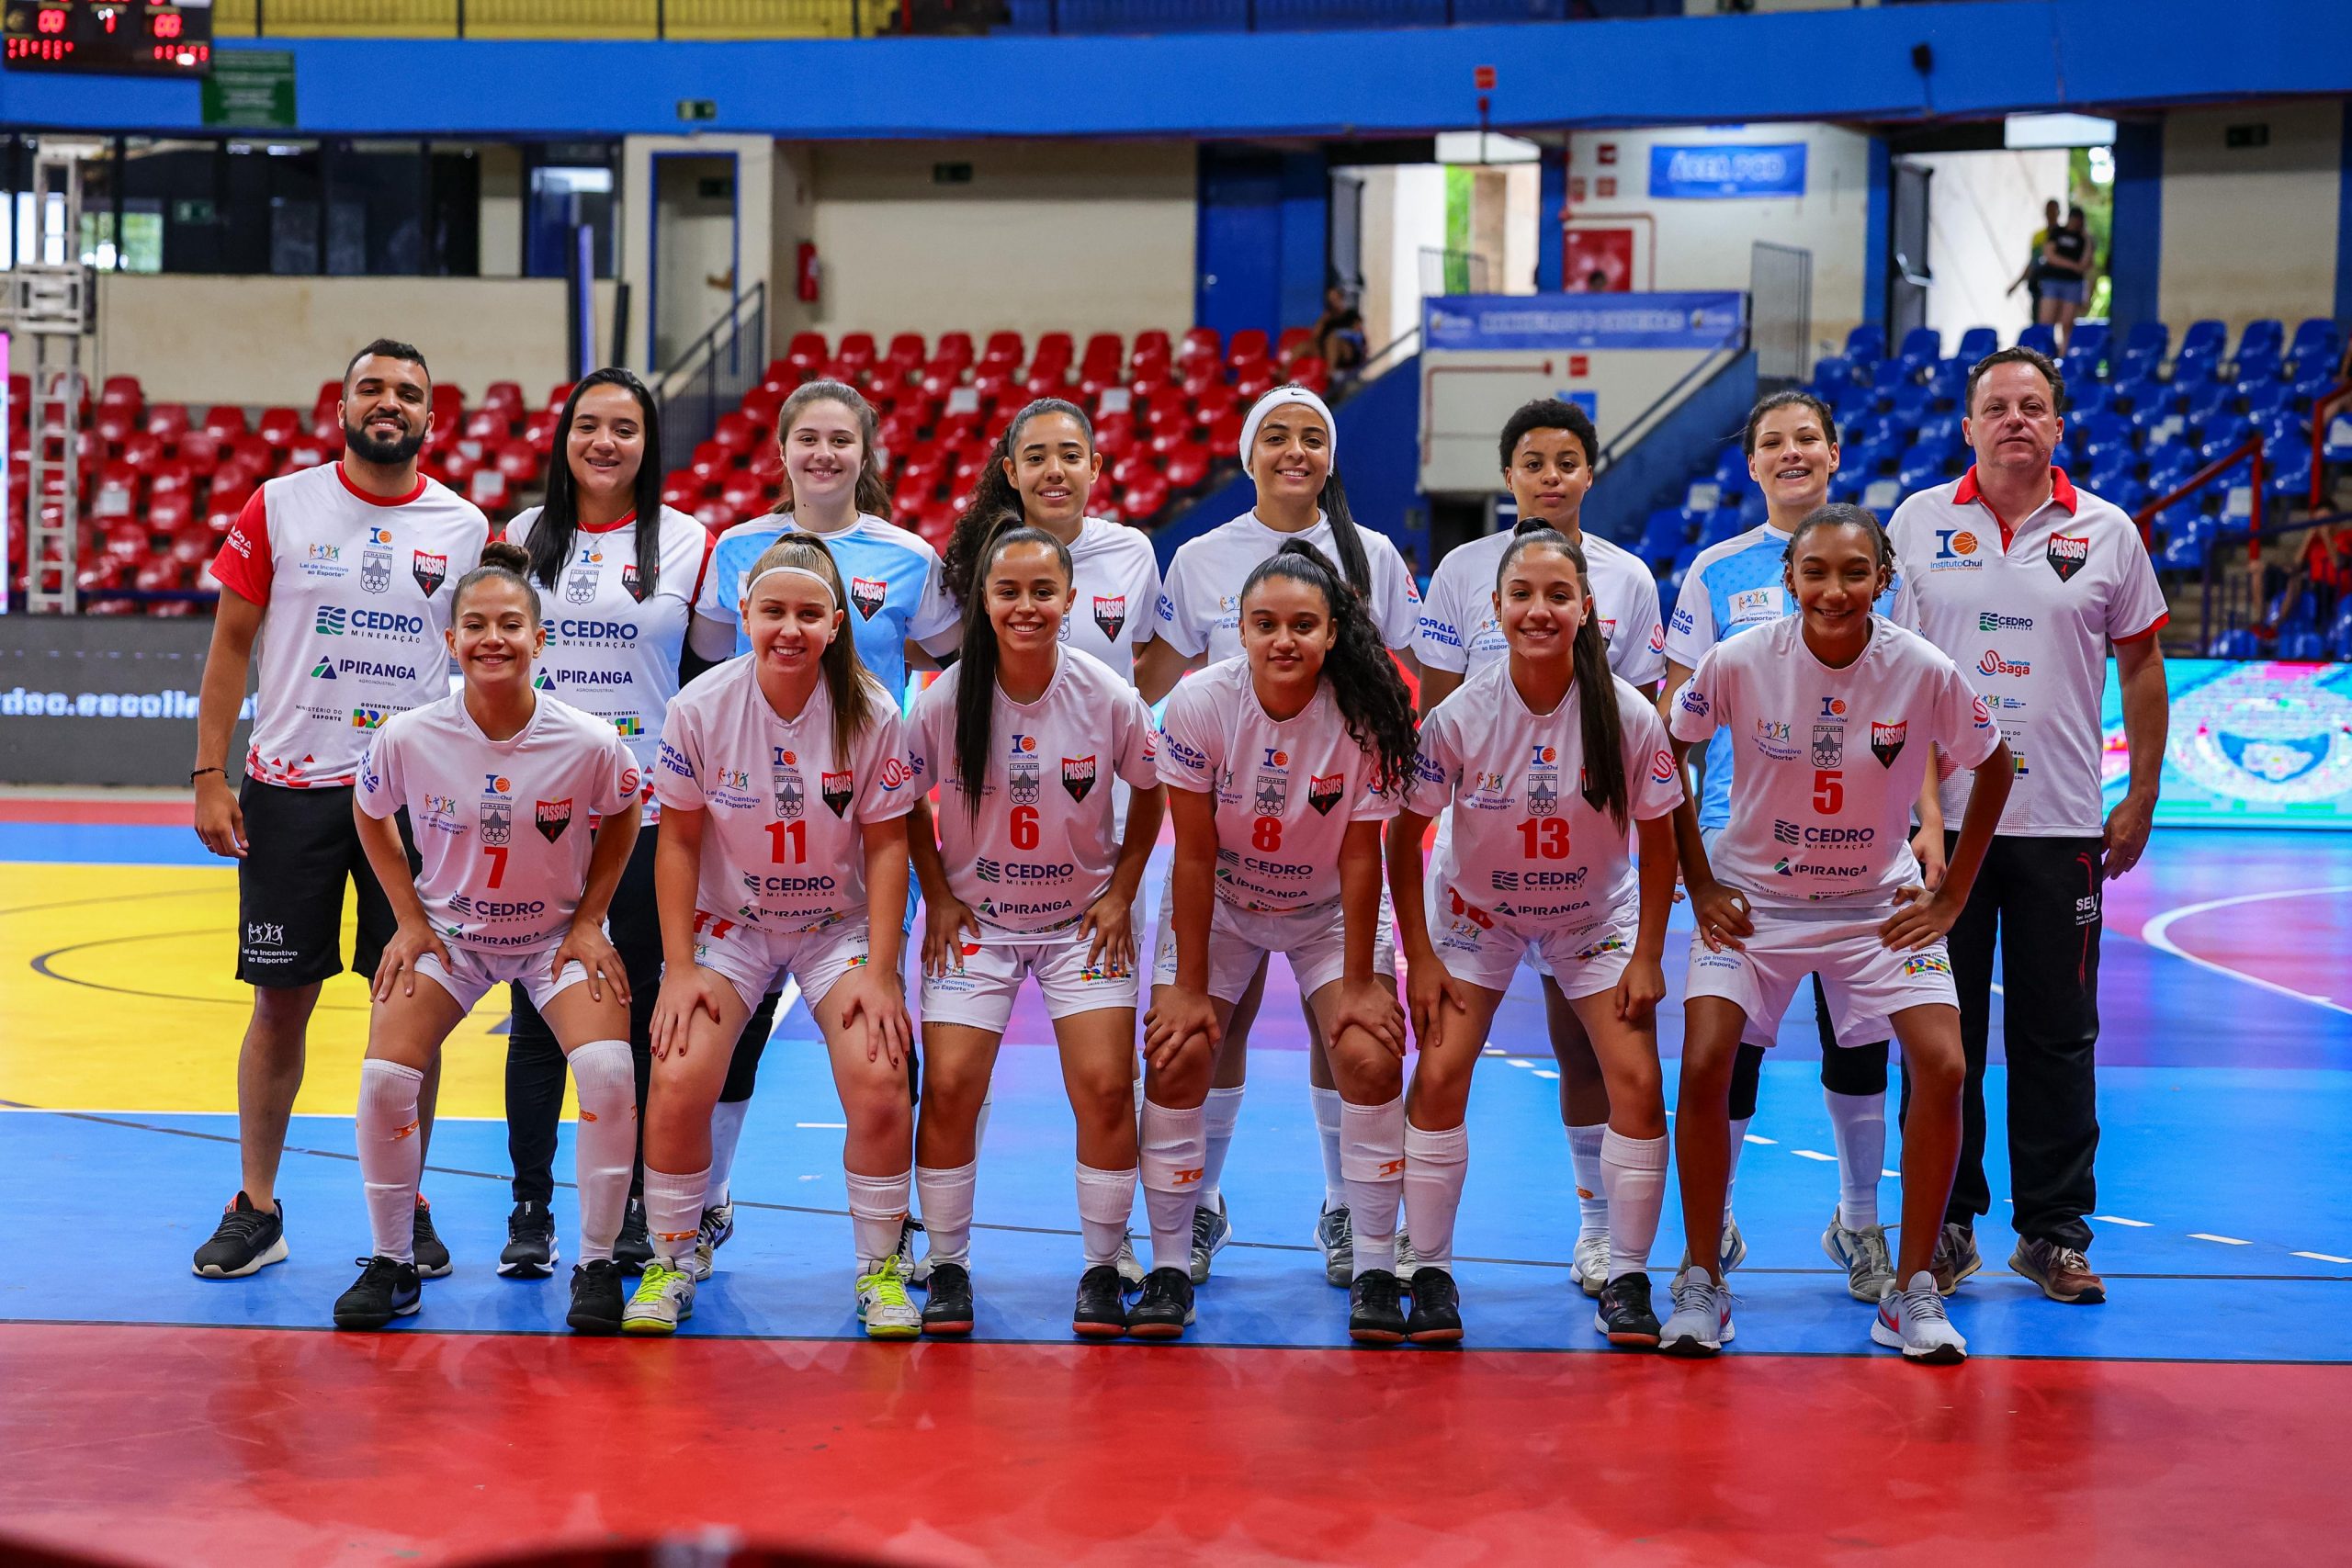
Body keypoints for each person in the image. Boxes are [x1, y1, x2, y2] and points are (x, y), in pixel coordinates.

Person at [1662, 504, 2014, 1363]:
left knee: (1945, 1063)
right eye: (1815, 571)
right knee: (1705, 1062)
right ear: (1789, 579)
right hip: (1756, 899)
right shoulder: (1740, 658)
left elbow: (1996, 763)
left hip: (1874, 903)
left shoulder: (1921, 666)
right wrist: (1699, 878)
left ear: (1881, 579)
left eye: (1855, 572)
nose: (1834, 589)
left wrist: (1951, 898)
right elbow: (1667, 749)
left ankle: (1912, 1289)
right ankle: (1702, 1277)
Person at [190, 338, 489, 1280]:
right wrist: (208, 772)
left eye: (408, 392)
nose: (388, 402)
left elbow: (484, 659)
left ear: (431, 417)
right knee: (280, 1005)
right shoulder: (279, 504)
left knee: (411, 1013)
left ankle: (407, 1205)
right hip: (291, 791)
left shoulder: (465, 525)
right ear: (343, 404)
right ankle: (257, 1207)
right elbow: (230, 644)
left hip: (415, 800)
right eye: (372, 388)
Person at [1886, 345, 2169, 1306]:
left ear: (2057, 425)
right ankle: (1945, 1222)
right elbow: (1891, 670)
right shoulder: (1917, 522)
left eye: (2033, 405)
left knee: (2058, 1034)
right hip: (1941, 832)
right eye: (1997, 406)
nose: (2015, 418)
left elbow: (2140, 665)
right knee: (1941, 1034)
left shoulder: (2107, 531)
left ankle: (2053, 1231)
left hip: (2061, 826)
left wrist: (2140, 794)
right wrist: (1913, 812)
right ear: (1968, 426)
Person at [1136, 385, 1422, 1288]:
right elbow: (1153, 678)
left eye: (1311, 437)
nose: (1294, 451)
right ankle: (1196, 1209)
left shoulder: (1373, 556)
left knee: (1347, 1033)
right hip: (1229, 841)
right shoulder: (1200, 561)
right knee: (1205, 1031)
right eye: (1275, 436)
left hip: (1325, 834)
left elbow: (1413, 672)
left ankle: (1346, 1209)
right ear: (1247, 453)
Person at [684, 380, 958, 1276]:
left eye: (842, 439)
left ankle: (895, 1228)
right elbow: (709, 663)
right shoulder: (737, 548)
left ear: (865, 452)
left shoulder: (909, 556)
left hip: (863, 825)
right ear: (782, 449)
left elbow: (949, 658)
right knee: (733, 1029)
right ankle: (709, 1200)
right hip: (750, 831)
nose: (824, 453)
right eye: (808, 437)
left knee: (882, 1026)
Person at [332, 544, 643, 1333]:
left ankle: (596, 1263)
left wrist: (589, 918)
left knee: (609, 1070)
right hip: (453, 938)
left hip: (552, 940)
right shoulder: (408, 735)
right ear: (450, 640)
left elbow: (625, 813)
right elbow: (368, 810)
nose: (492, 638)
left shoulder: (588, 739)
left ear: (540, 639)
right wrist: (408, 917)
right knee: (384, 1078)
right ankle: (393, 1262)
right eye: (474, 624)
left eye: (510, 624)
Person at [1388, 529, 1682, 1346]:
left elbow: (1661, 840)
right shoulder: (1459, 714)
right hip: (1476, 915)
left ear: (1587, 608)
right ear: (1496, 608)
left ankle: (1627, 1275)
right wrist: (1420, 955)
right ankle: (1431, 1269)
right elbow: (1402, 836)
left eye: (1558, 595)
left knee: (1636, 1078)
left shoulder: (1627, 714)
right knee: (1440, 1071)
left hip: (1593, 917)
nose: (1539, 610)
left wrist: (1648, 954)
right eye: (1522, 595)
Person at [628, 535, 920, 1338]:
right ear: (744, 615)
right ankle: (671, 1257)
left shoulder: (871, 709)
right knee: (678, 1074)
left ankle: (881, 1268)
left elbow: (889, 846)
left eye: (808, 614)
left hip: (836, 925)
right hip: (732, 924)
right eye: (773, 611)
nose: (789, 629)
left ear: (835, 624)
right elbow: (677, 841)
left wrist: (883, 970)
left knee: (881, 1077)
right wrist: (678, 967)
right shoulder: (700, 707)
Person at [1659, 389, 1906, 1304]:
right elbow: (1674, 723)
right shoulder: (1715, 571)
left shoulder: (1883, 563)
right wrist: (1689, 853)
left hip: (1859, 841)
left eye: (1807, 437)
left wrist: (1922, 821)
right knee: (1731, 1046)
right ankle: (1714, 1220)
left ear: (1834, 453)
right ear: (1753, 463)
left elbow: (1915, 700)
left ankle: (1858, 1221)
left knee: (1860, 1039)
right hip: (1742, 843)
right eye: (1773, 441)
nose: (1791, 452)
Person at [905, 520, 1169, 1337]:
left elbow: (1153, 788)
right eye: (1008, 591)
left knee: (1105, 1086)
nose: (1026, 606)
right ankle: (948, 1263)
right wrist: (937, 894)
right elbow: (902, 797)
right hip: (977, 922)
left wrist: (1122, 890)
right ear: (983, 602)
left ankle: (1103, 1265)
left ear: (1071, 599)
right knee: (951, 1085)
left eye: (1042, 591)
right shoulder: (946, 697)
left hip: (1078, 923)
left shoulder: (1107, 693)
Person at [494, 368, 718, 1281]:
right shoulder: (518, 538)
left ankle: (629, 1202)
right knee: (535, 1014)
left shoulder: (689, 543)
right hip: (540, 814)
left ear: (647, 444)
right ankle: (531, 1209)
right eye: (588, 425)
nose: (605, 442)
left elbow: (710, 679)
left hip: (651, 813)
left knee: (637, 1011)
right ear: (564, 439)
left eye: (624, 428)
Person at [940, 398, 1163, 684]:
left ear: (1094, 467)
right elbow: (930, 647)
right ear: (1012, 473)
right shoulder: (981, 557)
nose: (1055, 471)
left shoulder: (1132, 552)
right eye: (1035, 459)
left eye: (1071, 456)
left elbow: (1149, 649)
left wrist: (1124, 708)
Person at [2037, 209, 2094, 354]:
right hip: (2053, 280)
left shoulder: (2083, 239)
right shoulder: (2057, 232)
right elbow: (2049, 255)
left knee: (2067, 322)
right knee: (2047, 321)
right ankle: (2044, 353)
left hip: (2073, 283)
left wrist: (2087, 240)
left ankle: (2064, 354)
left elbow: (2086, 264)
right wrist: (2072, 265)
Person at [2008, 197, 2063, 321]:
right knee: (2038, 322)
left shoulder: (2063, 235)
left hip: (2058, 287)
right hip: (2039, 286)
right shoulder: (2038, 237)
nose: (2051, 215)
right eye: (2048, 211)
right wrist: (2016, 284)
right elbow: (2033, 262)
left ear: (2058, 213)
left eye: (2053, 211)